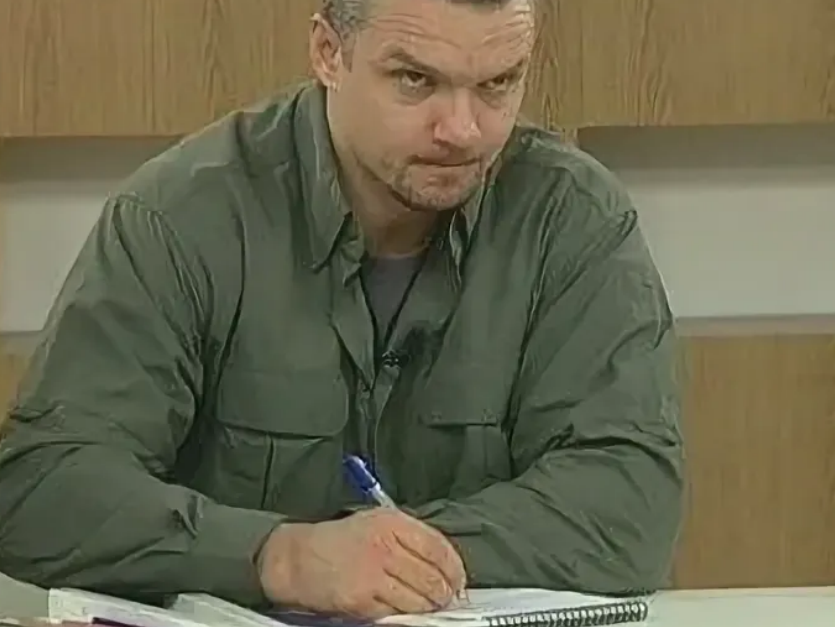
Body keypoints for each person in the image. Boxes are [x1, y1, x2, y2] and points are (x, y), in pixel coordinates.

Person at [0, 0, 684, 620]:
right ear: (329, 52)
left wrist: (395, 558)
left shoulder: (573, 220)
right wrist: (282, 556)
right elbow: (42, 491)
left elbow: (629, 503)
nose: (463, 129)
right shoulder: (181, 218)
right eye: (415, 80)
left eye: (498, 83)